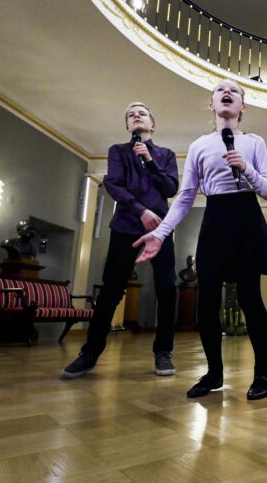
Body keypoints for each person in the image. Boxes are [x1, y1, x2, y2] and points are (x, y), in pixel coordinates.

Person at [133, 79, 267, 401]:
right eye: (220, 90)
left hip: (246, 215)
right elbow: (186, 197)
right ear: (212, 105)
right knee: (208, 301)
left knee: (250, 298)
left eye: (235, 92)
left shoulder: (255, 142)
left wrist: (247, 170)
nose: (227, 93)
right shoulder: (200, 145)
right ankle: (214, 374)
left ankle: (263, 374)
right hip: (215, 220)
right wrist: (159, 233)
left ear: (242, 107)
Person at [61, 102, 179, 379]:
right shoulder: (117, 151)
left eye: (142, 113)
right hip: (126, 227)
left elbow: (170, 188)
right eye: (130, 114)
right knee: (111, 291)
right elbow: (114, 184)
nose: (136, 115)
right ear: (128, 126)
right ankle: (89, 354)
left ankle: (163, 352)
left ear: (152, 124)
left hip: (160, 231)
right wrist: (141, 211)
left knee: (167, 289)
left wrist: (149, 161)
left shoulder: (166, 154)